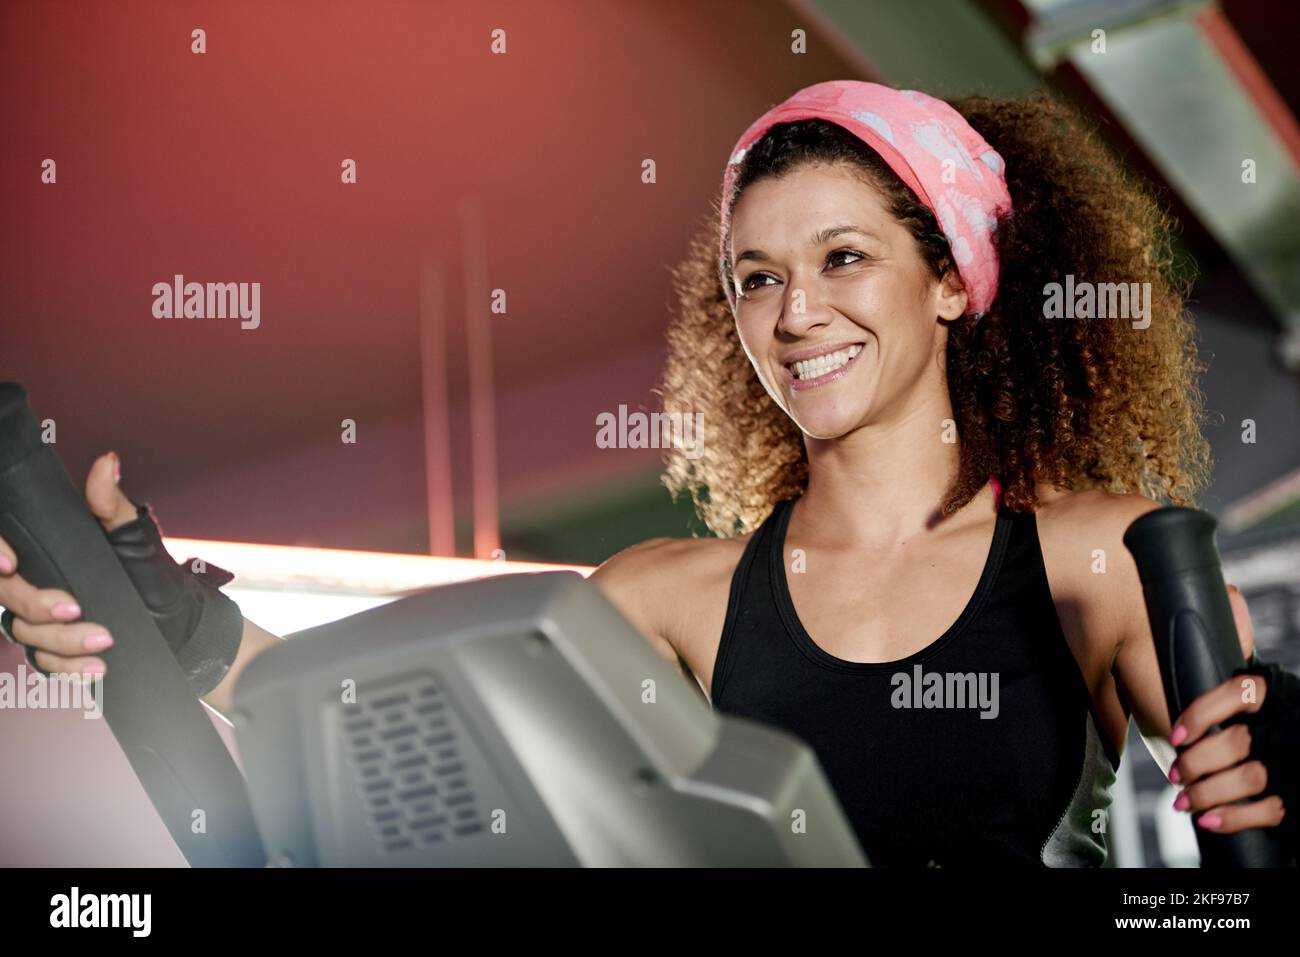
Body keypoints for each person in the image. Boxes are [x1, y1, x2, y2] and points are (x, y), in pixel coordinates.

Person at [1, 81, 1295, 867]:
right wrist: (155, 613)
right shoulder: (674, 596)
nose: (796, 314)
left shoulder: (1106, 558)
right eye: (757, 277)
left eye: (844, 258)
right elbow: (373, 710)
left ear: (954, 277)